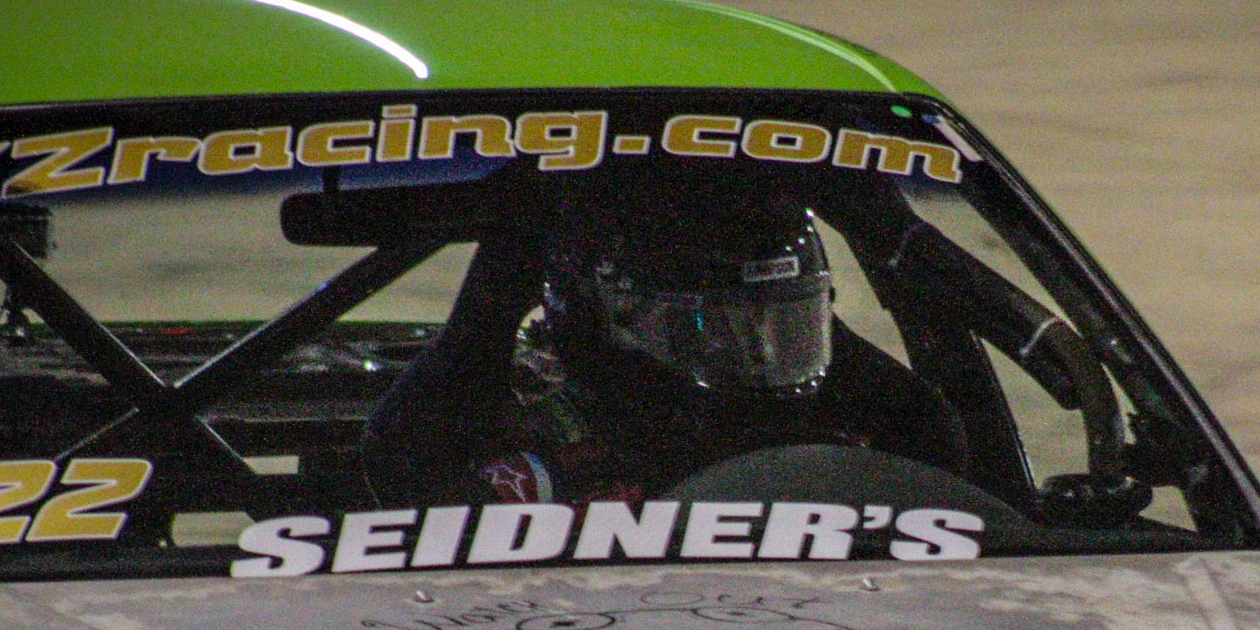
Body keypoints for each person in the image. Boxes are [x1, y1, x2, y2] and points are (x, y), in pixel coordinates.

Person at [360, 177, 964, 507]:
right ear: (601, 326)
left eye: (788, 327)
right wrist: (490, 306)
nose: (761, 358)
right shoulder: (541, 470)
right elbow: (406, 469)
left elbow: (939, 440)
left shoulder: (867, 440)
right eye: (716, 334)